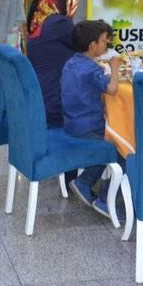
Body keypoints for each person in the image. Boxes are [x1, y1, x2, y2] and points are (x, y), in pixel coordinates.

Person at [61, 20, 122, 215]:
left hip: (71, 122)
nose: (107, 44)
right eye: (104, 41)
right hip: (88, 127)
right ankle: (104, 199)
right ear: (92, 45)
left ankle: (85, 182)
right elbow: (112, 89)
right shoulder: (92, 69)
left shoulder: (72, 62)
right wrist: (115, 67)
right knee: (122, 149)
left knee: (113, 141)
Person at [26, 0, 78, 128]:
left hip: (40, 96)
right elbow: (83, 43)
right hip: (56, 102)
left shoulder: (39, 22)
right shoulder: (59, 23)